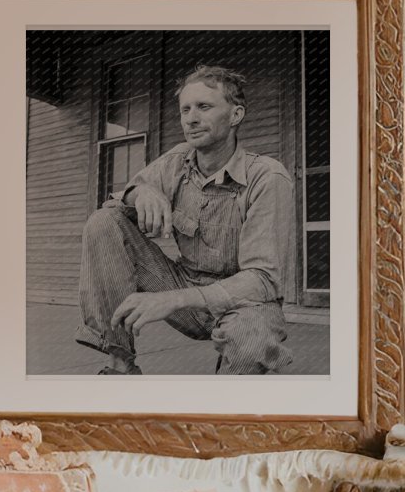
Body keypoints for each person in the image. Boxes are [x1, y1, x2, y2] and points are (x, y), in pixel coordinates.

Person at [75, 64, 296, 374]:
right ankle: (119, 366)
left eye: (204, 107)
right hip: (186, 285)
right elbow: (116, 206)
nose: (191, 118)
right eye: (185, 110)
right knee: (103, 222)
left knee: (250, 342)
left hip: (246, 304)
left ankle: (229, 408)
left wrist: (171, 300)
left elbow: (263, 280)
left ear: (236, 115)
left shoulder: (267, 178)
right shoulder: (178, 160)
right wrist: (140, 192)